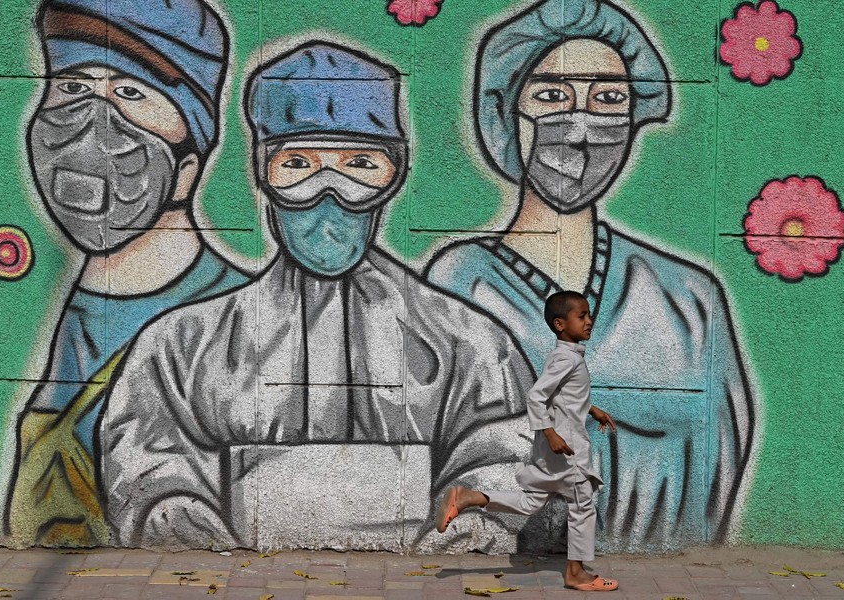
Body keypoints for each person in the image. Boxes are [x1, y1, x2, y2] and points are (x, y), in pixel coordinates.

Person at [100, 41, 537, 552]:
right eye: (299, 163)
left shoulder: (467, 341)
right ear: (263, 175)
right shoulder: (181, 345)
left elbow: (509, 447)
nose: (329, 191)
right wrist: (192, 536)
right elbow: (148, 461)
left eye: (359, 164)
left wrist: (470, 533)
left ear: (394, 177)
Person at [425, 0, 756, 549]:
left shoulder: (691, 299)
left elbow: (721, 468)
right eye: (552, 97)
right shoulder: (459, 283)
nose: (580, 130)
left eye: (609, 99)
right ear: (504, 110)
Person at [4, 0, 248, 547]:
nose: (91, 122)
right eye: (72, 87)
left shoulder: (230, 317)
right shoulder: (76, 311)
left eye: (130, 93)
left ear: (188, 169)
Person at [436, 291, 618, 592]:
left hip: (556, 447)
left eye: (588, 315)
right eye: (581, 316)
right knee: (583, 504)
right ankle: (576, 574)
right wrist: (550, 433)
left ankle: (468, 497)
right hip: (566, 447)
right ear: (560, 324)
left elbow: (563, 396)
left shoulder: (568, 355)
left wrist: (592, 409)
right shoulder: (565, 358)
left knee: (532, 502)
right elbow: (537, 396)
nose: (589, 321)